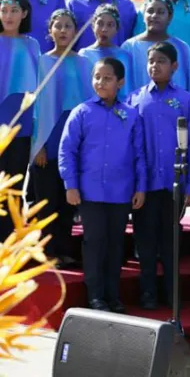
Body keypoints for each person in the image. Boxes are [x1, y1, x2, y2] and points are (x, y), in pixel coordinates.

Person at [58, 57, 146, 313]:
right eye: (97, 77)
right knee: (94, 242)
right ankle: (96, 295)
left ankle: (112, 295)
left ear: (120, 82)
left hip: (121, 192)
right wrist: (70, 185)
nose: (100, 82)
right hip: (90, 191)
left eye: (107, 78)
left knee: (115, 243)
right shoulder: (82, 112)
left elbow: (139, 154)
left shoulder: (130, 115)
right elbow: (67, 151)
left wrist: (140, 187)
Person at [127, 42, 190, 310]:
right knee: (145, 241)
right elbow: (130, 145)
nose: (154, 66)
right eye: (151, 61)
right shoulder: (135, 99)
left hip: (175, 185)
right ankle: (148, 292)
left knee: (170, 241)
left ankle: (172, 294)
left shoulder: (185, 100)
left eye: (161, 61)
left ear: (174, 66)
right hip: (145, 185)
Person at [31, 9, 94, 269]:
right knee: (47, 200)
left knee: (69, 199)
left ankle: (65, 249)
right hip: (48, 136)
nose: (64, 30)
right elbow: (33, 109)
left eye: (69, 26)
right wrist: (39, 146)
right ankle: (46, 252)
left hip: (75, 137)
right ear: (50, 31)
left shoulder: (86, 63)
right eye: (59, 26)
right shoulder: (40, 62)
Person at [0, 0, 39, 241]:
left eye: (14, 10)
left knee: (14, 188)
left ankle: (9, 243)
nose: (8, 15)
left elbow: (37, 88)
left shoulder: (32, 45)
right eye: (4, 10)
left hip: (22, 128)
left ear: (24, 13)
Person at [121, 0, 190, 92]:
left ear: (170, 17)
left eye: (161, 12)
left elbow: (189, 86)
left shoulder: (182, 48)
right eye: (150, 11)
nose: (154, 16)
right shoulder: (129, 47)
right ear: (143, 15)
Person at [79, 4, 136, 99]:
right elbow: (82, 91)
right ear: (93, 26)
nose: (104, 29)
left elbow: (127, 91)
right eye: (100, 24)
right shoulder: (84, 55)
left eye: (110, 25)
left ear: (116, 29)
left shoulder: (124, 56)